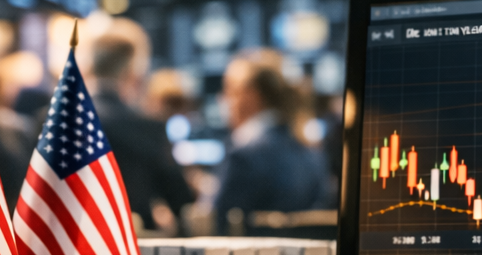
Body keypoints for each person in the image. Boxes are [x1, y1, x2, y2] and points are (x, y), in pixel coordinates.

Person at [86, 30, 196, 233]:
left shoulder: (48, 119)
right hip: (127, 251)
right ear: (133, 71)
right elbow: (180, 197)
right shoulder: (143, 127)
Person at [214, 52, 329, 234]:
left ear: (250, 95)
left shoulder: (244, 154)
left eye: (229, 89)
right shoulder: (311, 152)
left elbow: (216, 225)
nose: (222, 99)